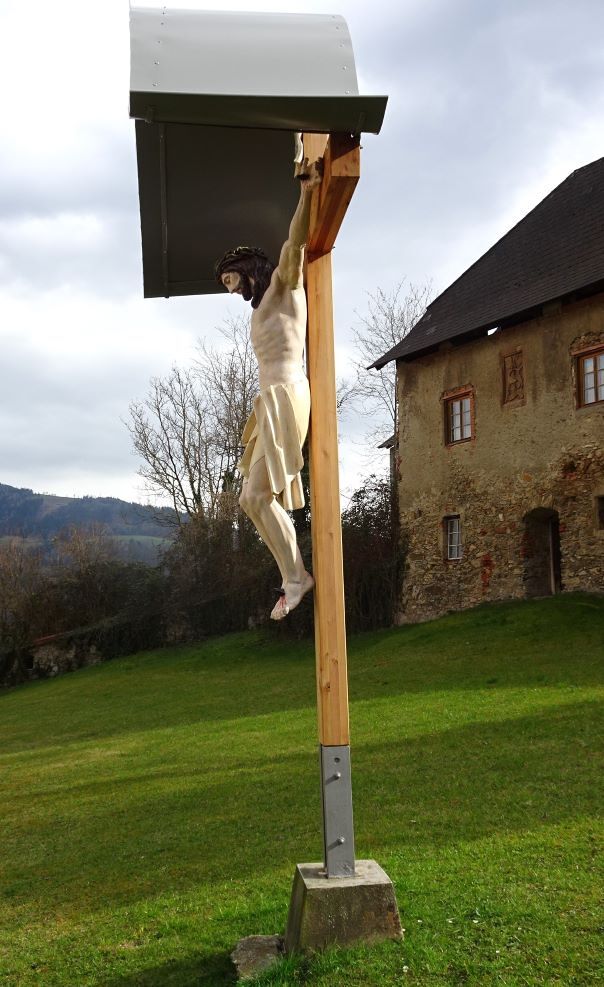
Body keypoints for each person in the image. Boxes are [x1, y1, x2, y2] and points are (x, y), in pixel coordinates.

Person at [215, 158, 322, 620]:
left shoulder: (284, 284)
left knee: (258, 496)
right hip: (268, 403)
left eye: (229, 279)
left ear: (245, 267)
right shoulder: (261, 308)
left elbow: (296, 243)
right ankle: (292, 576)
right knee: (249, 499)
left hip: (289, 393)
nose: (230, 290)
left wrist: (307, 192)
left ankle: (297, 577)